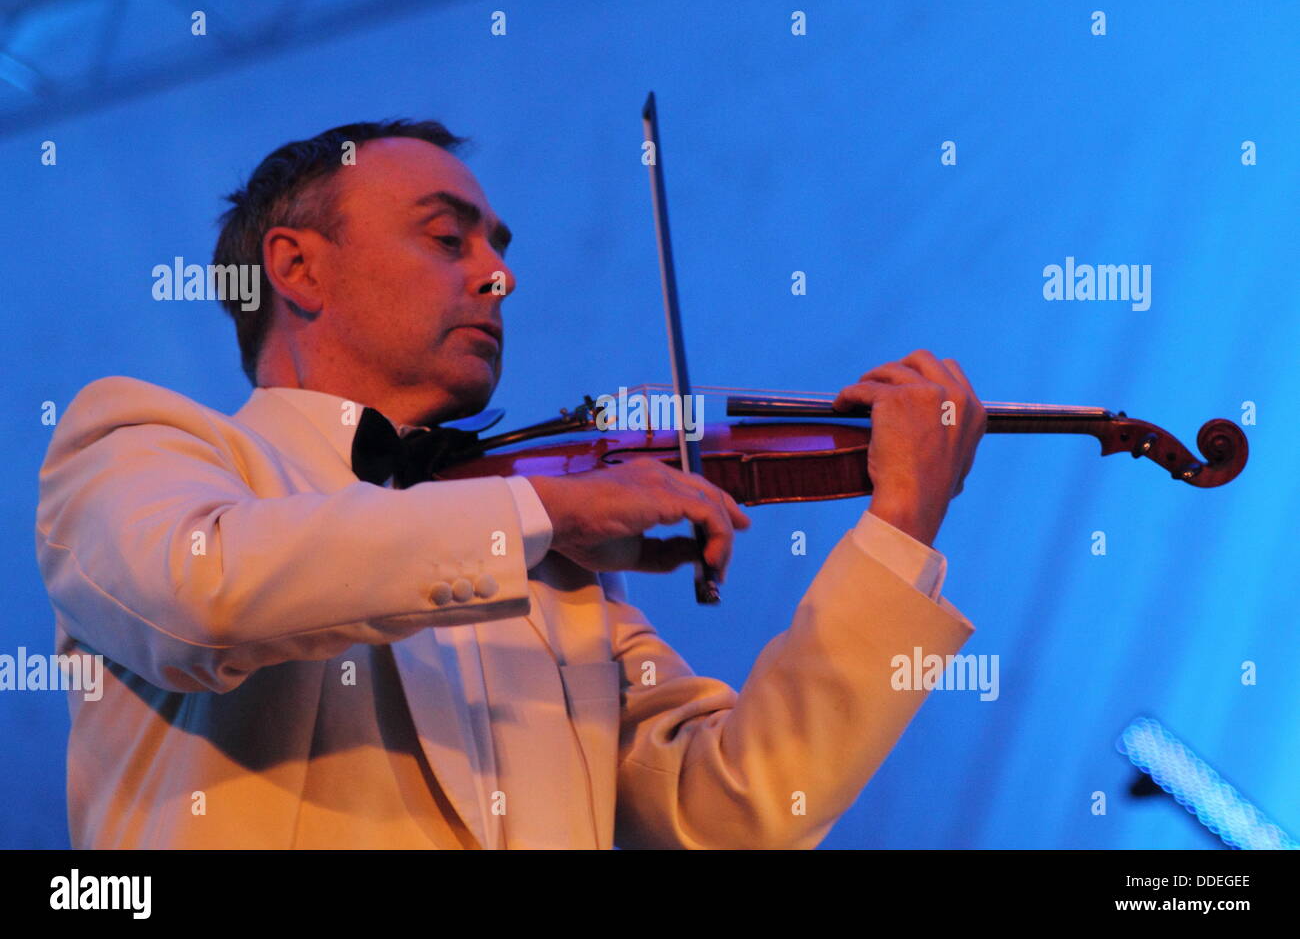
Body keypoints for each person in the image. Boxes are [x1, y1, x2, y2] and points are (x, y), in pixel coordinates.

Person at [35, 120, 985, 849]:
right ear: (296, 269)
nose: (500, 276)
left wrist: (899, 526)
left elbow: (737, 811)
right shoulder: (138, 444)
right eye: (449, 241)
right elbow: (200, 592)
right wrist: (545, 511)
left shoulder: (552, 572)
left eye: (499, 248)